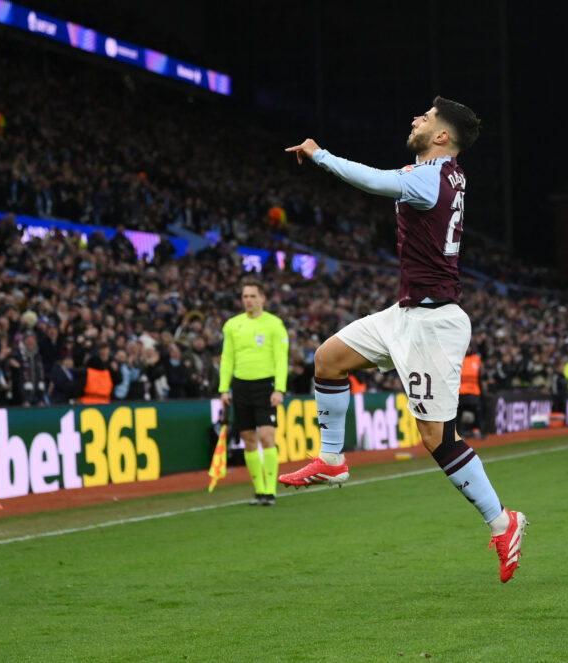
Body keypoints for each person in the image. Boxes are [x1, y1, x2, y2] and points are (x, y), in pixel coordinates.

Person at [279, 97, 528, 583]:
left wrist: (320, 154)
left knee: (436, 438)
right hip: (407, 312)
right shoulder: (447, 174)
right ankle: (332, 459)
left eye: (426, 118)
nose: (416, 119)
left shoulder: (431, 177)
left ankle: (503, 523)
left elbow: (375, 181)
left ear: (442, 136)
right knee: (328, 359)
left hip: (433, 324)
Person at [219, 279, 289, 506]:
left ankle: (270, 491)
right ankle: (259, 490)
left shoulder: (274, 324)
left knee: (267, 436)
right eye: (245, 296)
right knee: (248, 439)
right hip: (241, 386)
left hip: (266, 386)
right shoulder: (232, 325)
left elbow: (281, 359)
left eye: (252, 296)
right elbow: (227, 358)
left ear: (262, 298)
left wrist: (279, 388)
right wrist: (223, 389)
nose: (248, 300)